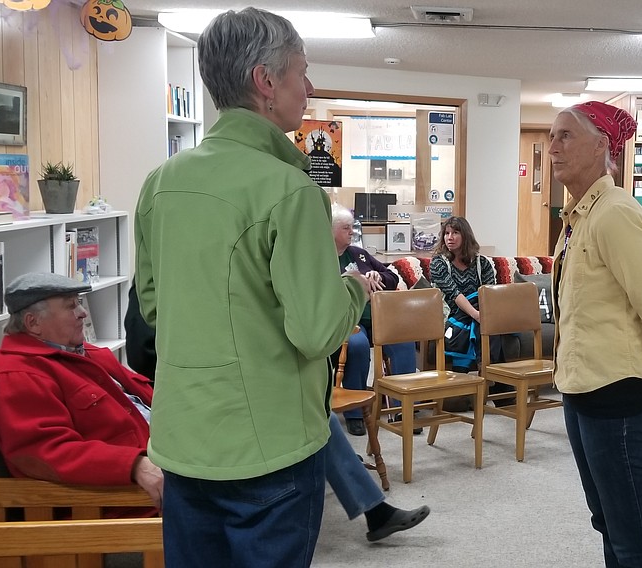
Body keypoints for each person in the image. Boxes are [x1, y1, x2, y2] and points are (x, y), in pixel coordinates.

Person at [133, 8, 371, 567]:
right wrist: (355, 289)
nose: (308, 87)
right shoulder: (291, 190)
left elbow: (152, 306)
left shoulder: (160, 183)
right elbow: (315, 332)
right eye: (300, 72)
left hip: (183, 439)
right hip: (269, 442)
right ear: (266, 83)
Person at [122, 305, 431, 541]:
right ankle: (373, 511)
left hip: (211, 383)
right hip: (183, 401)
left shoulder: (94, 354)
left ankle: (374, 511)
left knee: (314, 413)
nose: (83, 313)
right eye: (72, 306)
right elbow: (143, 353)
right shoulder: (161, 291)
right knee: (309, 415)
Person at [549, 101, 642, 567]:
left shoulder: (615, 213)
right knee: (608, 522)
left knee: (633, 536)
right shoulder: (578, 217)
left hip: (620, 395)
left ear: (602, 147)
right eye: (552, 136)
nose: (553, 147)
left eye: (565, 136)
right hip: (582, 388)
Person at [0, 273, 163, 515]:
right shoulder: (17, 377)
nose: (83, 313)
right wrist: (136, 465)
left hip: (162, 470)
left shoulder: (82, 353)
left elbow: (145, 398)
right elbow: (49, 453)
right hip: (124, 504)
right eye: (71, 306)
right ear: (33, 323)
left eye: (79, 302)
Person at [330, 204, 419, 436]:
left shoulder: (360, 254)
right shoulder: (322, 258)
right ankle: (355, 412)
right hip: (347, 320)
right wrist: (350, 280)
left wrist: (378, 274)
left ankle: (402, 409)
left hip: (378, 317)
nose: (351, 232)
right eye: (345, 228)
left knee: (403, 340)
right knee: (358, 347)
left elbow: (393, 277)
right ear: (330, 231)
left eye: (352, 228)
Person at [428, 216, 513, 404]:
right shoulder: (438, 263)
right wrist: (477, 315)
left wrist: (482, 314)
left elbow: (490, 294)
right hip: (451, 317)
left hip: (481, 314)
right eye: (447, 233)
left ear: (465, 236)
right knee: (484, 323)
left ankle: (468, 385)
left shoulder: (482, 263)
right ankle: (495, 381)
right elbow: (454, 294)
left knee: (482, 314)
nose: (450, 237)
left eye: (455, 233)